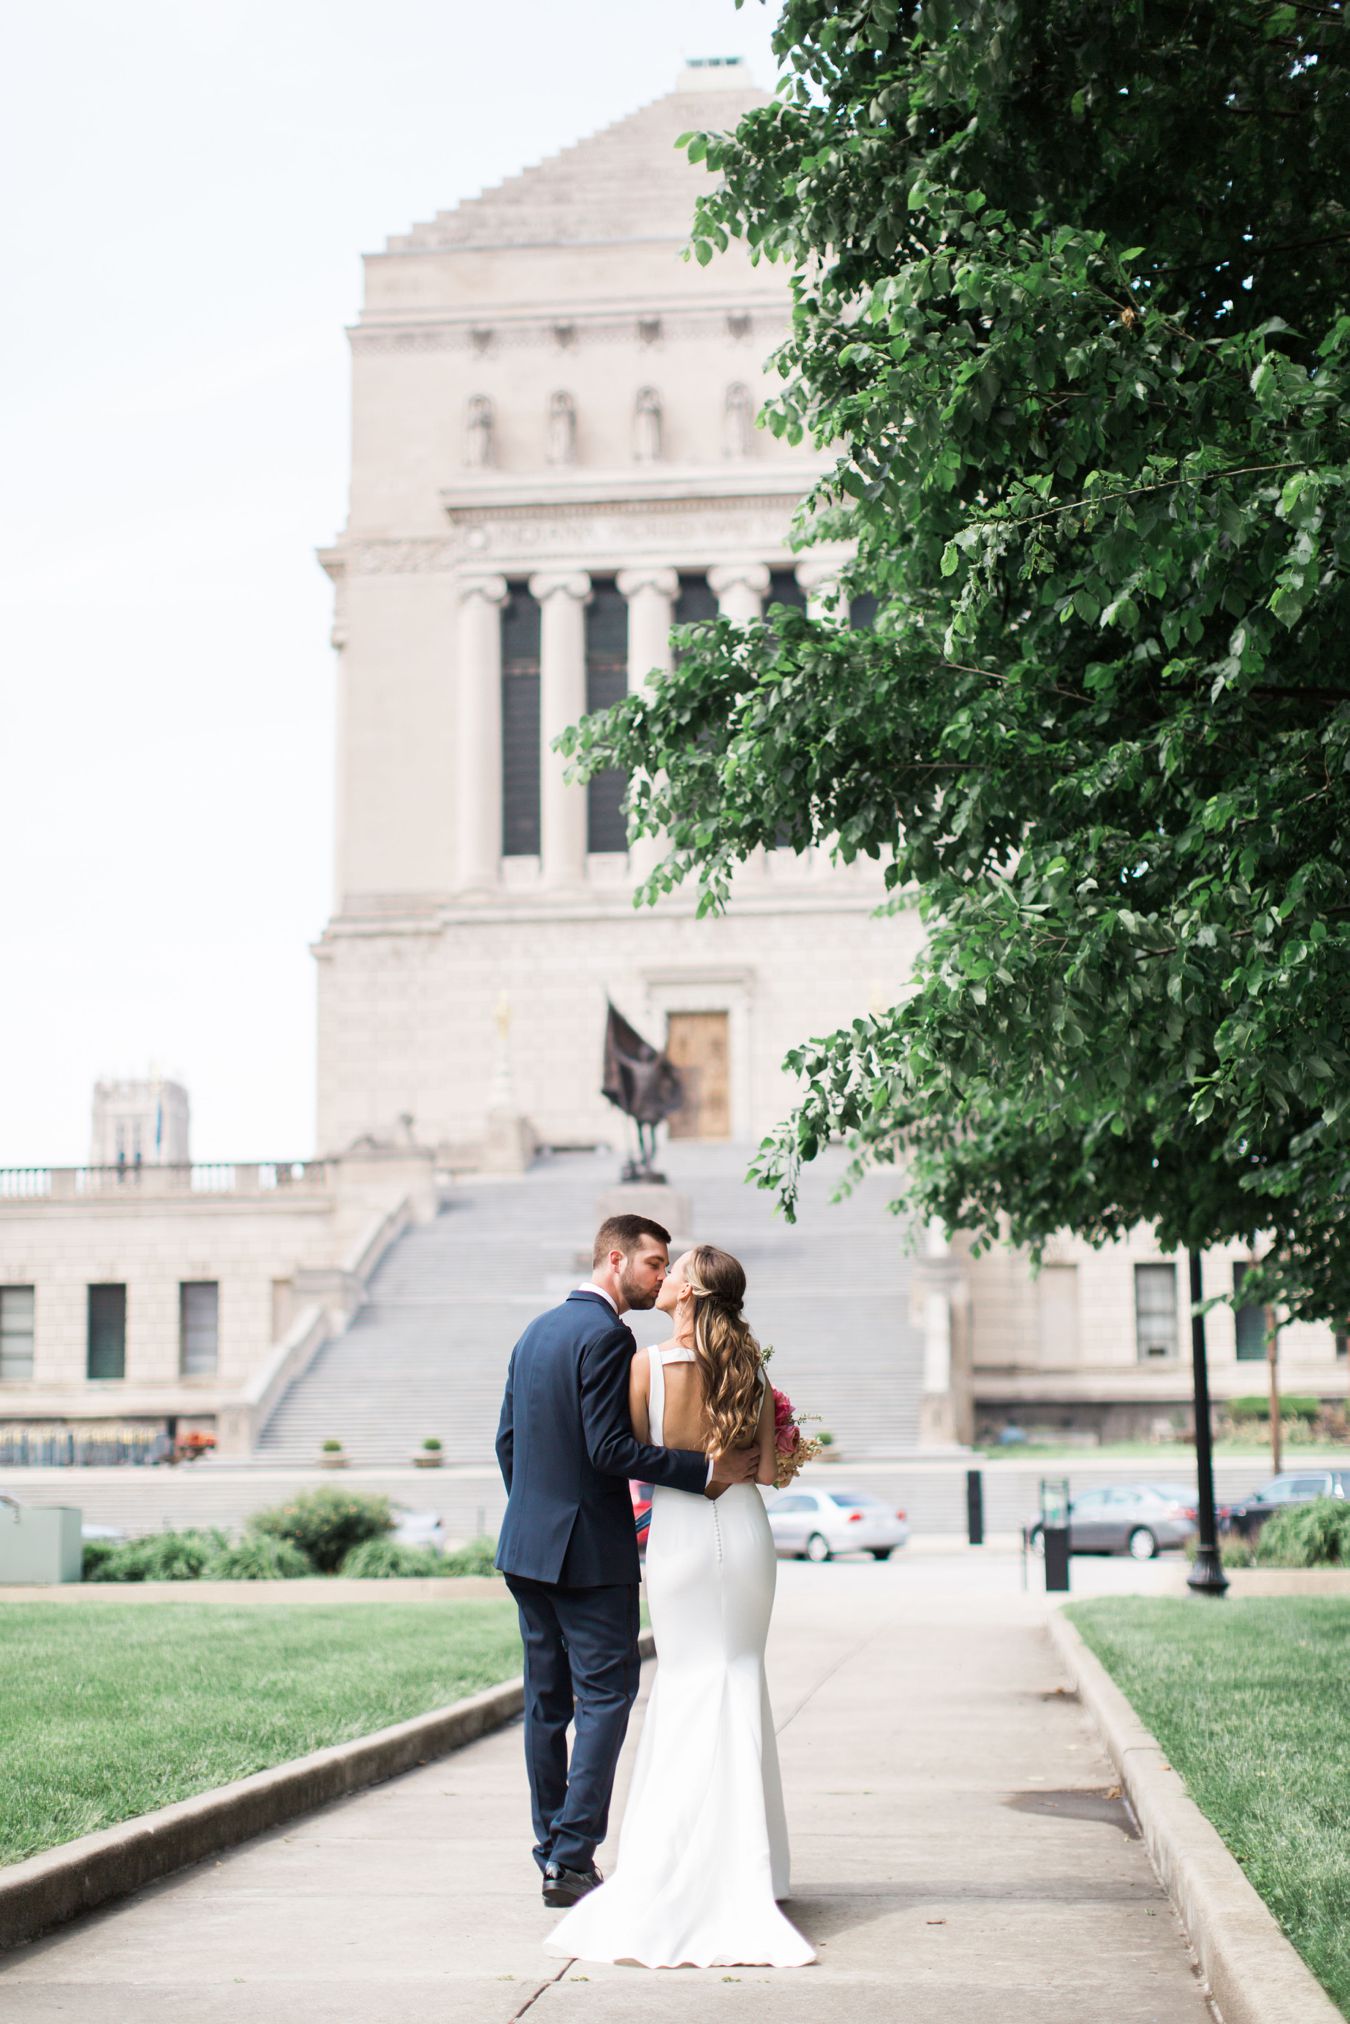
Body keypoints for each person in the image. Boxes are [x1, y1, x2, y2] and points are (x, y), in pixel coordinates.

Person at [544, 1244, 815, 1969]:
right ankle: (753, 1870)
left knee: (690, 1681)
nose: (663, 1278)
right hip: (746, 1533)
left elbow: (626, 1454)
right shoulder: (751, 1369)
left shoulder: (646, 1365)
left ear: (691, 1291)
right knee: (740, 1675)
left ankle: (672, 1869)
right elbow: (764, 1471)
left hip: (681, 1539)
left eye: (675, 1269)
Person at [495, 1215, 759, 1910]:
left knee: (546, 1703)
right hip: (589, 1553)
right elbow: (609, 1450)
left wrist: (534, 1515)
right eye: (652, 1265)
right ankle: (573, 1855)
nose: (657, 1278)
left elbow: (507, 1442)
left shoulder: (536, 1332)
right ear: (616, 1260)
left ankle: (550, 1850)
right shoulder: (608, 1337)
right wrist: (702, 1470)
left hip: (525, 1547)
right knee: (608, 1696)